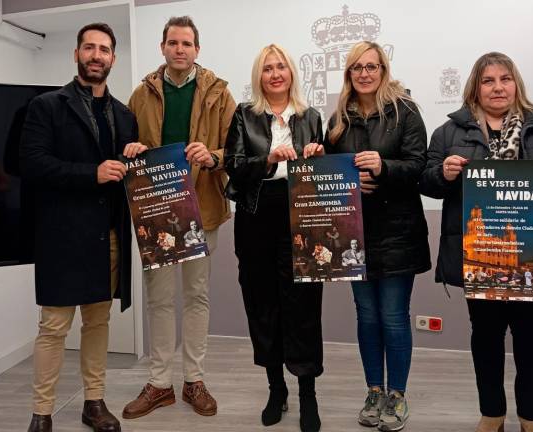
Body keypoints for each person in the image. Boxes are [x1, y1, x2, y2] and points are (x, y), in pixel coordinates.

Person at [420, 52, 533, 432]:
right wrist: (443, 172)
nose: (498, 87)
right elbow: (426, 181)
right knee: (487, 339)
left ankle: (531, 417)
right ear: (475, 88)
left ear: (516, 83)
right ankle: (492, 412)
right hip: (481, 256)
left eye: (505, 79)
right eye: (488, 80)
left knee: (532, 340)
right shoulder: (449, 133)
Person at [20, 22, 145, 432]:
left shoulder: (126, 115)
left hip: (107, 237)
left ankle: (94, 403)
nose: (97, 55)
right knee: (53, 327)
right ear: (76, 54)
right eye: (89, 48)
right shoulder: (46, 106)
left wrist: (137, 157)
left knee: (98, 322)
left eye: (104, 50)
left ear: (113, 58)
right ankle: (42, 412)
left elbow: (128, 176)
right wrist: (90, 173)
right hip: (60, 236)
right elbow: (33, 165)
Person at [123, 15, 236, 420]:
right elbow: (128, 146)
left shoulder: (220, 95)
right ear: (163, 47)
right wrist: (132, 148)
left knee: (197, 296)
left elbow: (234, 151)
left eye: (187, 43)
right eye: (173, 42)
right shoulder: (141, 95)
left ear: (197, 49)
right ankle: (159, 383)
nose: (180, 49)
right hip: (156, 212)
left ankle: (194, 380)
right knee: (159, 299)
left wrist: (214, 156)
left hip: (202, 209)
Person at [323, 41, 430, 431]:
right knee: (367, 317)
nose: (365, 74)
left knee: (393, 318)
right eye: (357, 68)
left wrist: (383, 167)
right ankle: (373, 391)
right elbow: (328, 174)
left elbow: (420, 167)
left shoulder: (405, 111)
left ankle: (397, 395)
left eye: (372, 67)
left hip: (398, 231)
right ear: (348, 74)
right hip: (354, 235)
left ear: (383, 70)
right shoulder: (337, 120)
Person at [225, 43, 324, 432]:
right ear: (259, 76)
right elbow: (233, 166)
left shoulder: (311, 116)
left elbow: (325, 172)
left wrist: (316, 152)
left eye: (281, 66)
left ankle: (307, 395)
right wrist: (266, 159)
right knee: (263, 306)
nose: (275, 73)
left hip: (301, 215)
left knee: (303, 307)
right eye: (268, 68)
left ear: (291, 73)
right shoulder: (244, 116)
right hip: (256, 216)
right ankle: (275, 389)